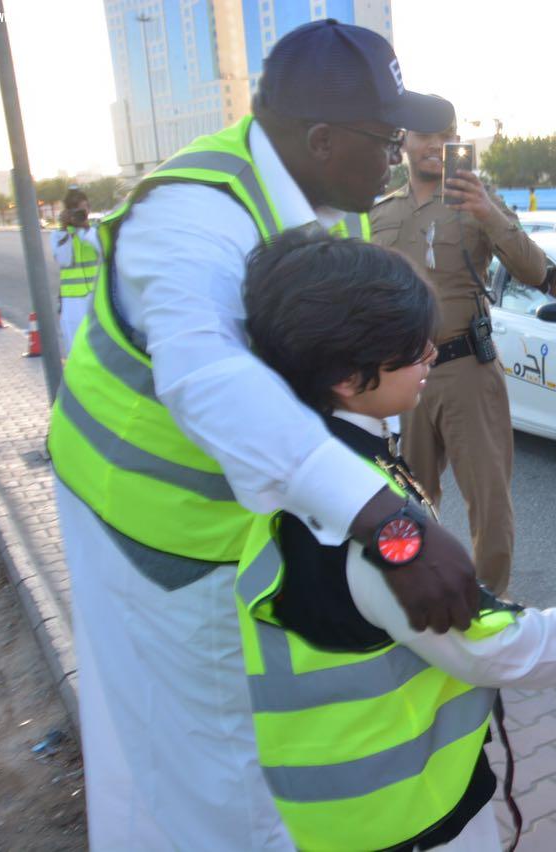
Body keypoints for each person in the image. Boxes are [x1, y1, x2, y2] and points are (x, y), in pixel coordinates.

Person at [45, 20, 479, 850]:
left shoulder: (325, 203)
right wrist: (389, 526)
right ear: (320, 139)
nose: (396, 157)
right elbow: (214, 382)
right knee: (217, 776)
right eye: (387, 140)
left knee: (233, 761)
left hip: (234, 528)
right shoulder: (190, 217)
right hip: (158, 539)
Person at [237, 229, 556, 851]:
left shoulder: (296, 461)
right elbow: (492, 647)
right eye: (412, 349)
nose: (433, 354)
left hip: (343, 814)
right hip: (403, 815)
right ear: (350, 378)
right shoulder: (358, 516)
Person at [371, 99, 547, 596]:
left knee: (489, 502)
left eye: (445, 134)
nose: (434, 146)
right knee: (406, 498)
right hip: (397, 378)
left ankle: (489, 606)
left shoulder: (478, 200)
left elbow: (535, 271)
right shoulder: (381, 211)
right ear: (403, 140)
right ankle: (417, 598)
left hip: (465, 367)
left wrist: (488, 214)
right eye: (423, 135)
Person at [50, 185, 100, 350]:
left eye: (83, 209)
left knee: (101, 347)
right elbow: (64, 260)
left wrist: (85, 228)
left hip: (98, 297)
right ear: (67, 212)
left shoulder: (96, 230)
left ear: (89, 209)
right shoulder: (59, 235)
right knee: (76, 349)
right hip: (72, 302)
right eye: (75, 210)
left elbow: (103, 249)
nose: (80, 214)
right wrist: (66, 230)